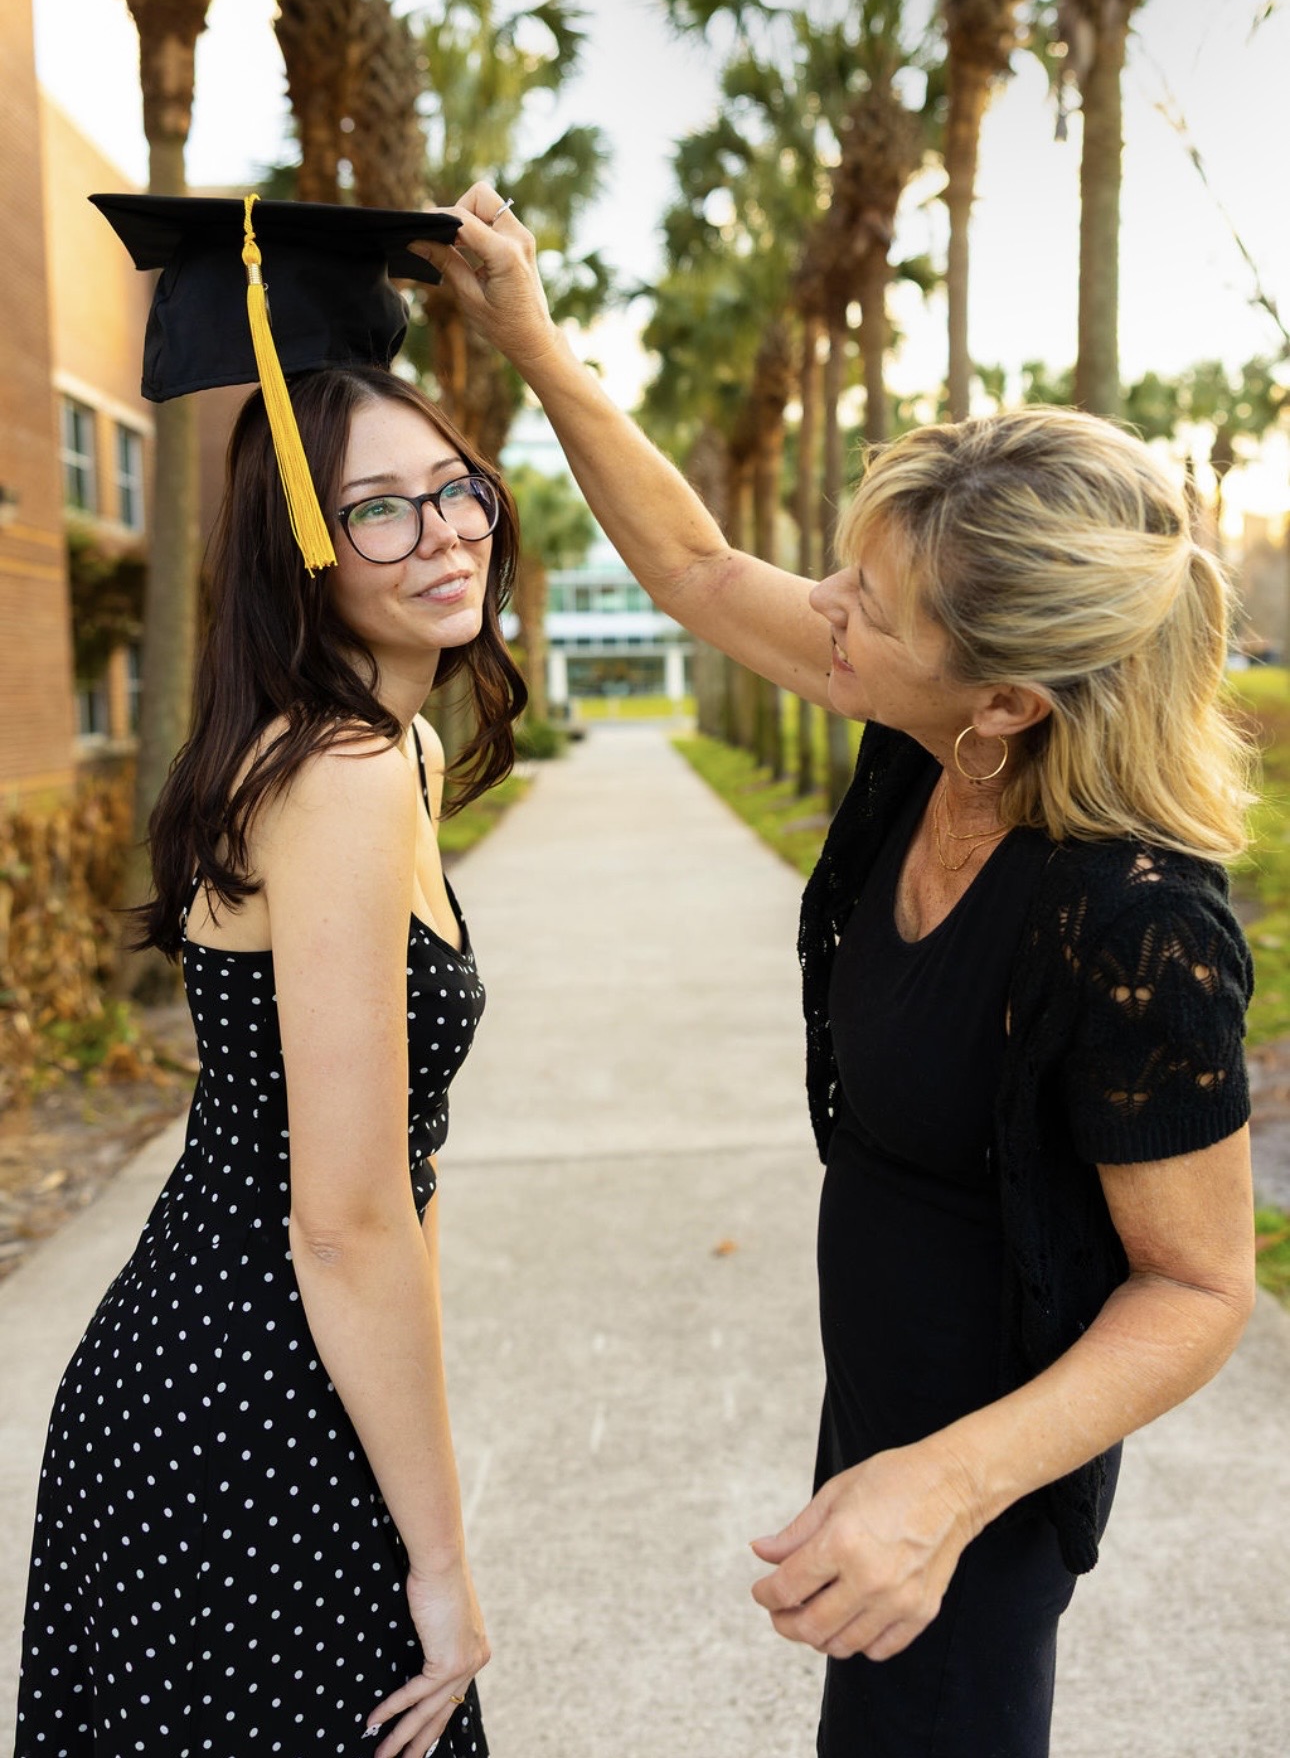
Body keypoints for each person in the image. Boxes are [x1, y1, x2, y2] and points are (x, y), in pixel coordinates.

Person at [420, 186, 1258, 1756]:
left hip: (984, 1465)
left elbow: (1201, 1286)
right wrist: (526, 332)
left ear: (1003, 703)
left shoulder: (1133, 926)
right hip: (877, 1393)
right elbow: (687, 563)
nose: (821, 619)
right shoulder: (924, 739)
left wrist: (942, 1489)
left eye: (861, 613)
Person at [16, 195, 527, 1758]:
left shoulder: (384, 749)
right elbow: (346, 1211)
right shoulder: (345, 774)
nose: (442, 532)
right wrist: (441, 1564)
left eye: (453, 487)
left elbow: (391, 1197)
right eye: (378, 508)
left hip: (241, 1384)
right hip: (240, 1416)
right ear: (295, 541)